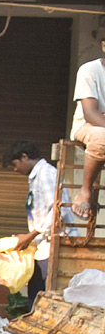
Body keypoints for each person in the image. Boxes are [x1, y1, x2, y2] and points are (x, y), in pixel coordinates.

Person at [3, 141, 59, 307]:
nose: (15, 170)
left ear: (24, 157)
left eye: (15, 164)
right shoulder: (36, 177)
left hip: (51, 245)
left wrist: (31, 235)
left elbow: (57, 209)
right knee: (35, 293)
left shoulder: (47, 173)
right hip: (41, 245)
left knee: (43, 295)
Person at [71, 38, 105, 219]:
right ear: (104, 46)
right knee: (103, 136)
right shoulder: (90, 70)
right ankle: (85, 191)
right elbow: (91, 114)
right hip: (87, 126)